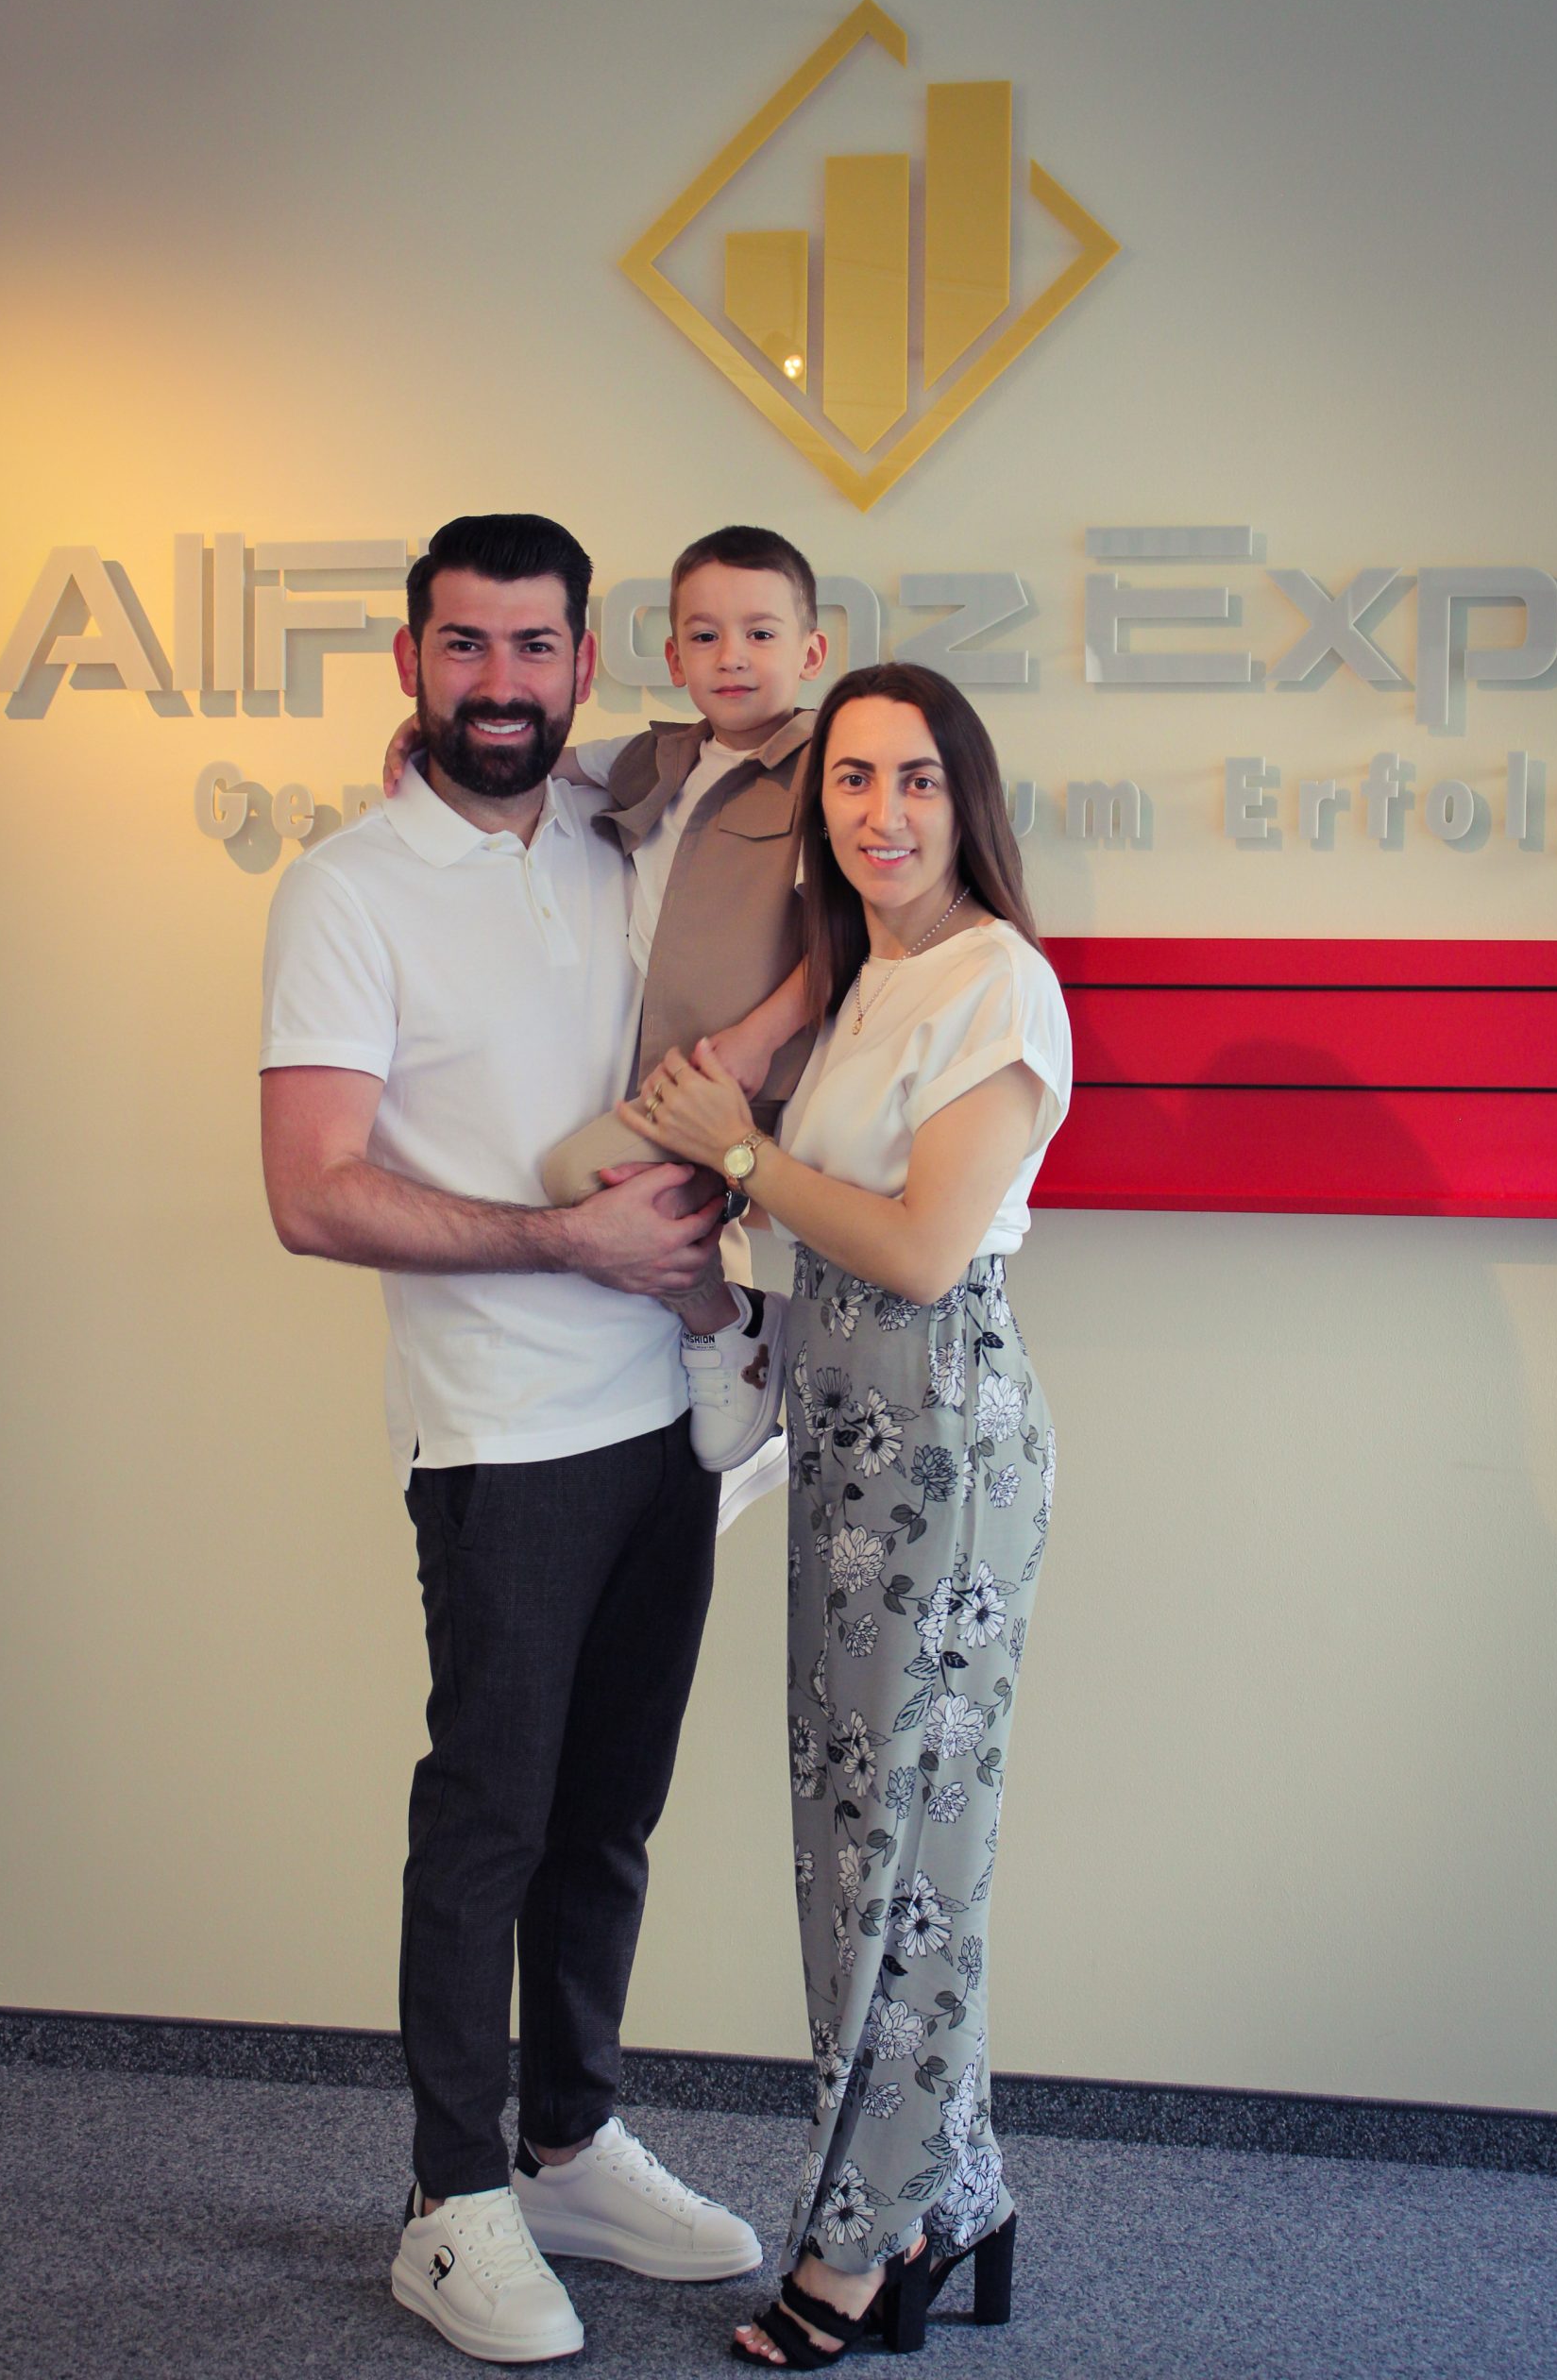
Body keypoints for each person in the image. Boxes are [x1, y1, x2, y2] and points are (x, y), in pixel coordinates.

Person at [260, 513, 763, 2367]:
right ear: (409, 661)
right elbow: (311, 1191)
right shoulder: (345, 888)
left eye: (532, 646)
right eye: (462, 646)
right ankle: (449, 2197)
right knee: (491, 1813)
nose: (497, 683)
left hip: (666, 1414)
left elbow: (773, 768)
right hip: (498, 1433)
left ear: (580, 663)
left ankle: (565, 2141)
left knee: (608, 1811)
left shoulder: (619, 833)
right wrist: (567, 1241)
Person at [621, 663, 1072, 2369]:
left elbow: (918, 1250)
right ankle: (956, 2191)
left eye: (917, 779)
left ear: (968, 801)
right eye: (853, 779)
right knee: (861, 1843)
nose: (882, 811)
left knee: (900, 1857)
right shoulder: (869, 976)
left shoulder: (996, 981)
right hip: (849, 1446)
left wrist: (737, 1153)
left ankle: (869, 2235)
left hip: (940, 1443)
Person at [383, 524, 829, 1489]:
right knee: (615, 1185)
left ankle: (729, 1329)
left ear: (811, 651)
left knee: (572, 1171)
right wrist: (428, 736)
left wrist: (758, 1042)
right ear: (672, 658)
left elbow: (851, 936)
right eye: (704, 637)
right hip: (674, 1070)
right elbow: (541, 757)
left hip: (749, 1074)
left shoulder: (829, 770)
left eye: (760, 633)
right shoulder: (659, 758)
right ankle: (735, 1332)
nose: (732, 657)